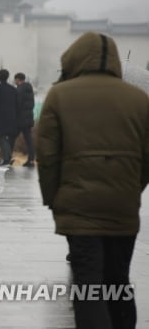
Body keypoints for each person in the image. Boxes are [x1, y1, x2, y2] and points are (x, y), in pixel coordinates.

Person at [37, 32, 149, 329]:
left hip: (79, 208)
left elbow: (47, 156)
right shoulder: (139, 98)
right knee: (119, 281)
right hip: (123, 207)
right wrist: (132, 189)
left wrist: (53, 198)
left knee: (88, 286)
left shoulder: (59, 95)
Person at [13, 72, 35, 167]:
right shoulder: (29, 89)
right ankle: (31, 160)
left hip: (20, 120)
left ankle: (7, 158)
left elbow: (17, 104)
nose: (14, 81)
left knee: (11, 138)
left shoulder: (20, 90)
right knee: (29, 140)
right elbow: (31, 104)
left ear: (18, 80)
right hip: (28, 118)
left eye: (15, 79)